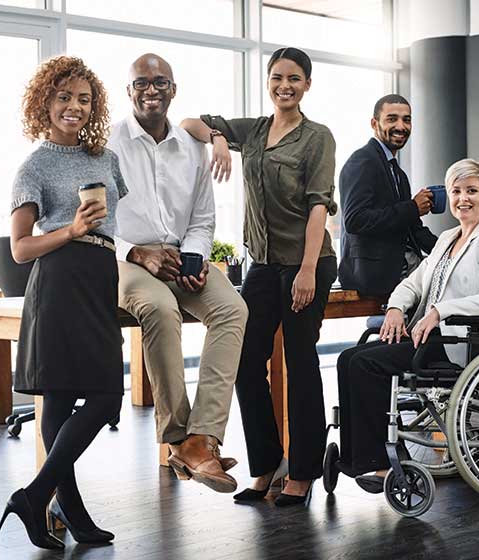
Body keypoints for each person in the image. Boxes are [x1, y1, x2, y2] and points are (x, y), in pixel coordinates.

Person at [180, 46, 338, 506]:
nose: (284, 86)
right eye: (276, 78)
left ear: (306, 84)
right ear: (267, 83)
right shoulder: (254, 130)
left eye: (293, 78)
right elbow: (190, 122)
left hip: (305, 263)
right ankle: (266, 464)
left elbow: (318, 206)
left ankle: (303, 472)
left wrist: (307, 270)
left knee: (300, 361)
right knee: (247, 362)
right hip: (263, 266)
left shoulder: (317, 137)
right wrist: (217, 139)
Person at [0, 56, 127, 550]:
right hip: (58, 278)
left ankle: (43, 500)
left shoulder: (105, 159)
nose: (74, 106)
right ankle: (58, 504)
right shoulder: (34, 166)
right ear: (44, 102)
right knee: (80, 396)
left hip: (99, 275)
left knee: (94, 394)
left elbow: (115, 221)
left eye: (84, 99)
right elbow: (20, 248)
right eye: (64, 97)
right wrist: (70, 229)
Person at [109, 54, 248, 493]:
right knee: (158, 308)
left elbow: (203, 217)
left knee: (232, 309)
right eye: (142, 83)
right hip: (123, 259)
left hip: (178, 256)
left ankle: (202, 437)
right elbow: (96, 223)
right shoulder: (108, 144)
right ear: (129, 90)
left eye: (161, 82)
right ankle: (176, 437)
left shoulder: (192, 147)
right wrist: (138, 253)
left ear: (174, 89)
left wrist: (193, 257)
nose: (151, 90)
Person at [337, 158, 479, 493]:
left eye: (472, 191)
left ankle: (379, 460)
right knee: (349, 358)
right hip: (427, 338)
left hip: (459, 343)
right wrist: (394, 308)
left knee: (365, 364)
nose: (464, 198)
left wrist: (439, 311)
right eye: (456, 191)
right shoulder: (448, 238)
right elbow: (414, 283)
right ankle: (356, 459)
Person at [338, 94, 438, 297]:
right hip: (375, 275)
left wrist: (452, 248)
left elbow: (412, 228)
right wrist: (412, 207)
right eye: (392, 119)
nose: (401, 126)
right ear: (374, 123)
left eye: (406, 119)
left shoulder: (397, 172)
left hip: (402, 269)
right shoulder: (362, 161)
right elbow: (355, 221)